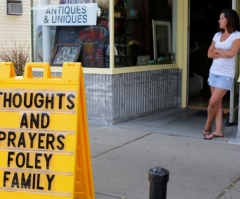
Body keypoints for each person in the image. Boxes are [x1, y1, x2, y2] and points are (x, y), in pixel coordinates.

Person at [203, 9, 240, 140]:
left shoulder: (237, 35)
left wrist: (217, 50)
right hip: (214, 72)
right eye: (219, 18)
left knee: (213, 101)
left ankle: (208, 125)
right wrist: (223, 52)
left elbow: (232, 54)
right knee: (217, 103)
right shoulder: (217, 35)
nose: (219, 21)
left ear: (229, 20)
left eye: (222, 18)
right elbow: (209, 54)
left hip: (226, 74)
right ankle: (218, 130)